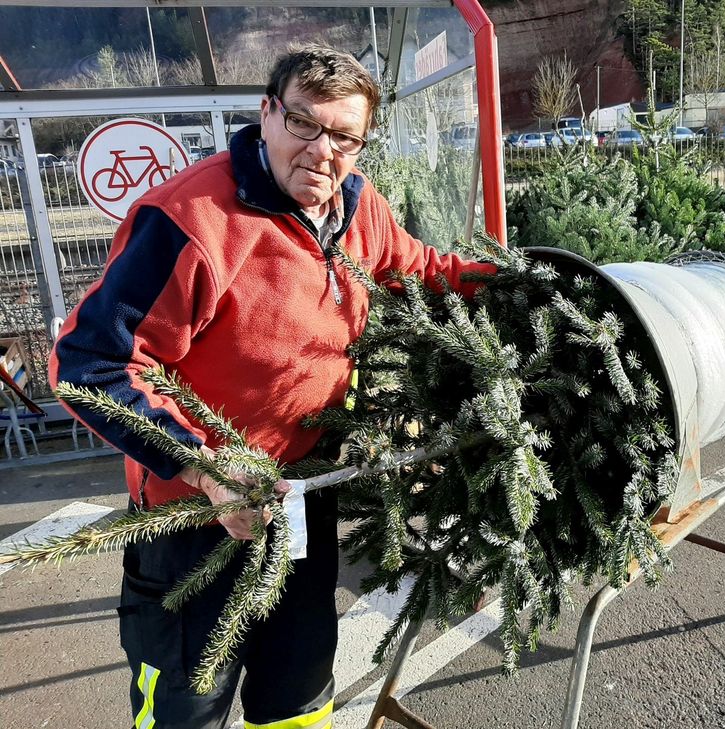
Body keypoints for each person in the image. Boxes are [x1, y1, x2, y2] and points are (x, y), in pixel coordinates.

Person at [50, 44, 494, 729]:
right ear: (267, 114)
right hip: (192, 521)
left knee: (298, 689)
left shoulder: (356, 207)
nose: (322, 151)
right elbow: (90, 364)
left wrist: (526, 285)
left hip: (301, 500)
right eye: (303, 123)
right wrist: (206, 466)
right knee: (184, 702)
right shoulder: (190, 222)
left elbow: (422, 271)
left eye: (344, 135)